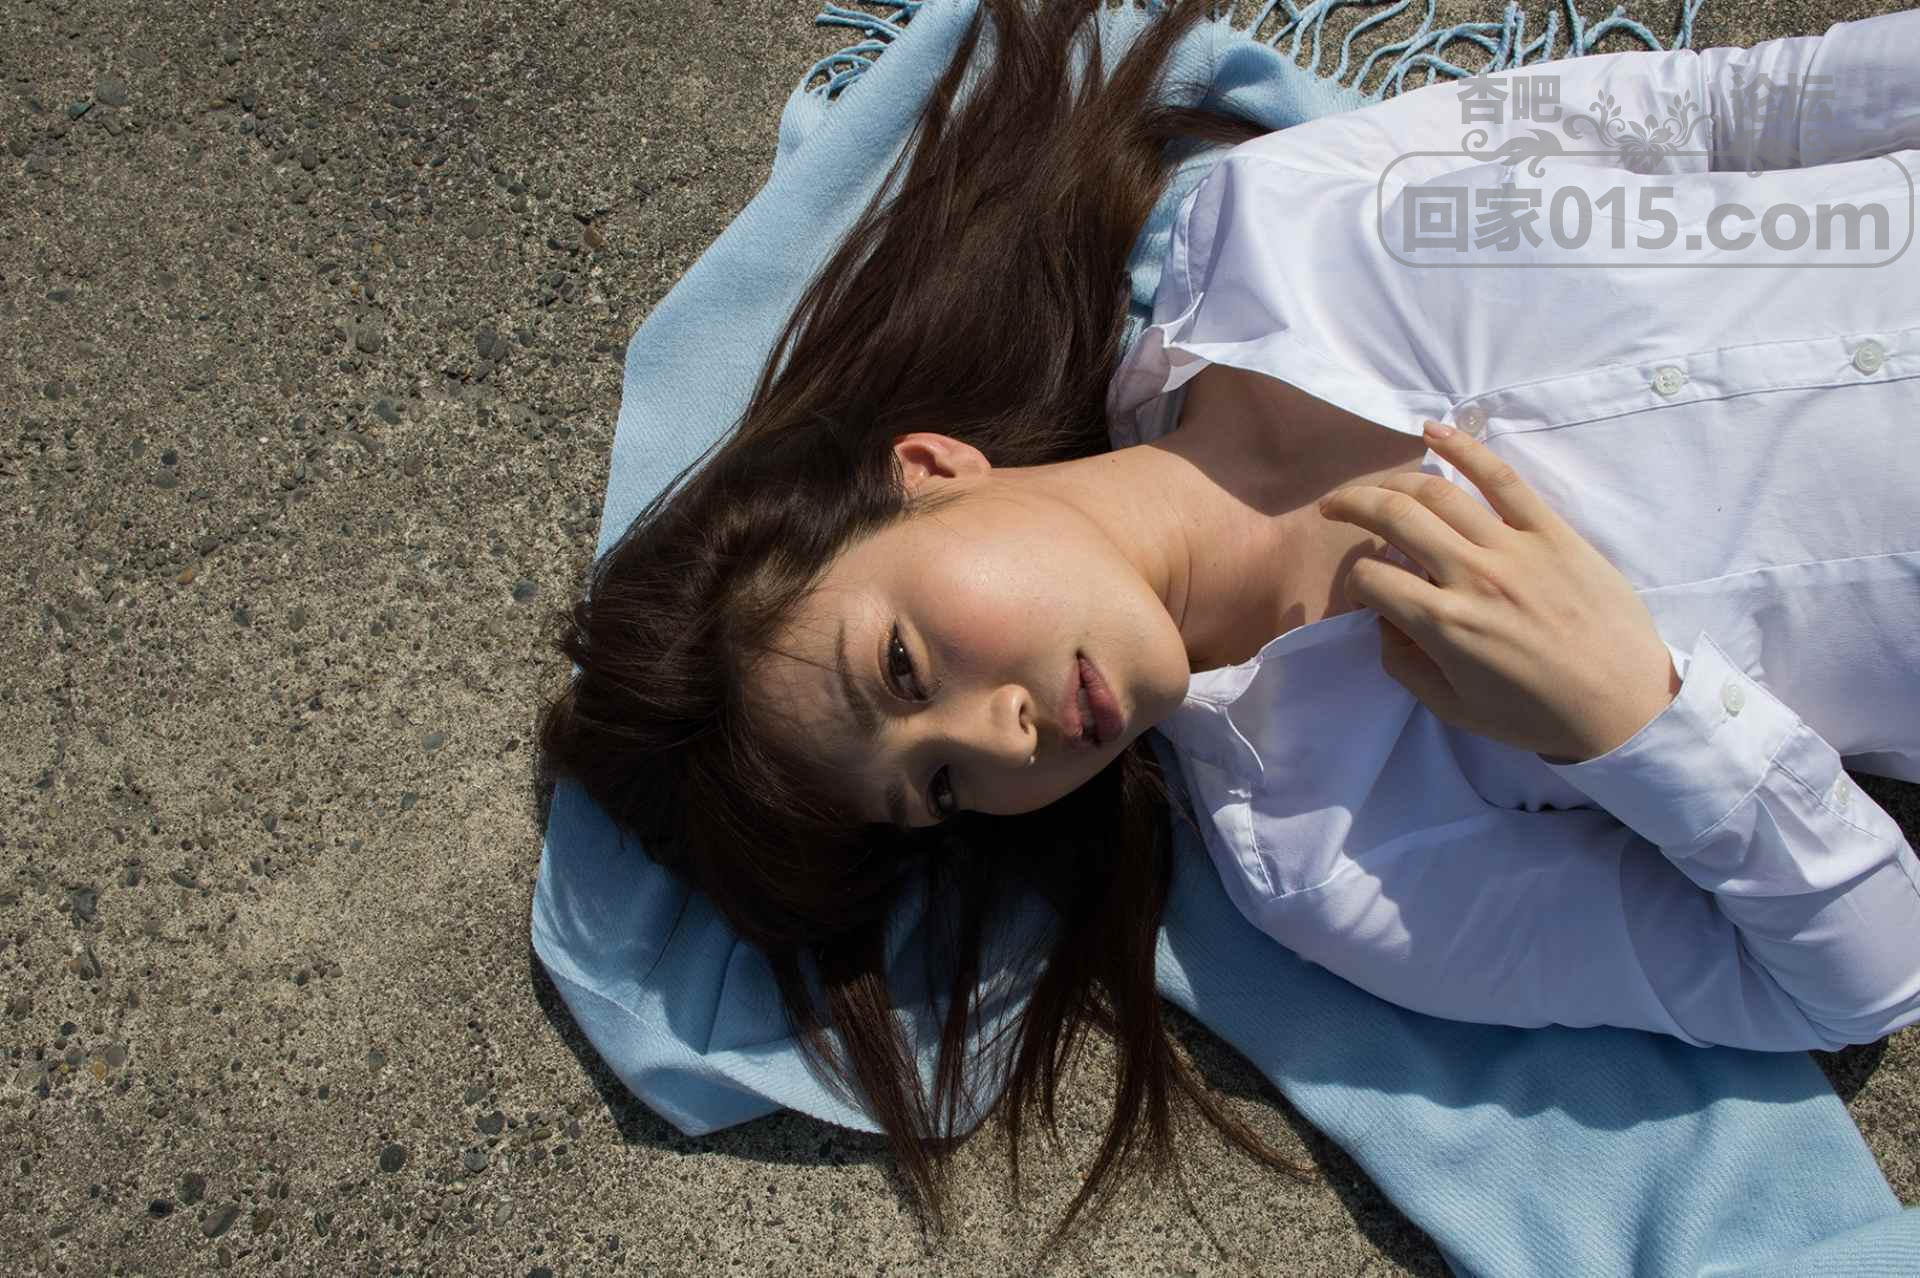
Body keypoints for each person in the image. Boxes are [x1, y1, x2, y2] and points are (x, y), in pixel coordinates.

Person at [534, 0, 1920, 1255]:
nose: (1000, 740)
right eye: (941, 786)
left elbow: (1728, 121)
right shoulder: (1336, 846)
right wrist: (1638, 719)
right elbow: (1857, 977)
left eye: (903, 669)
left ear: (933, 469)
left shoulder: (1276, 234)